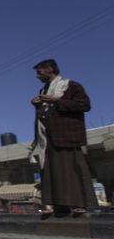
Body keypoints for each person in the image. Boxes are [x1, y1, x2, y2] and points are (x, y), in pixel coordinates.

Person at [30, 59, 94, 216]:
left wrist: (57, 101)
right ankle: (58, 206)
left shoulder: (70, 85)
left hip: (66, 137)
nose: (38, 76)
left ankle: (80, 204)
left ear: (50, 69)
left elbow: (85, 105)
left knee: (72, 171)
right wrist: (38, 104)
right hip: (49, 138)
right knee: (52, 173)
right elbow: (47, 113)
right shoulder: (44, 90)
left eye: (40, 72)